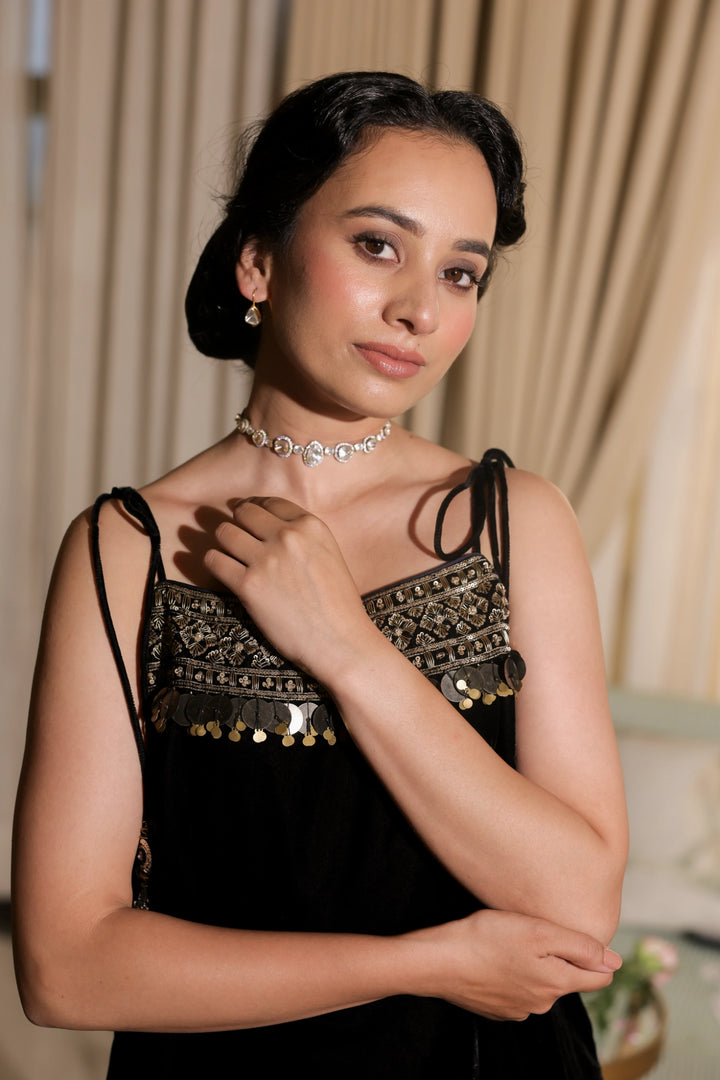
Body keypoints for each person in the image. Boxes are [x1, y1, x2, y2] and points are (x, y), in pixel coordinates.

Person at [12, 71, 628, 1078]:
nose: (418, 309)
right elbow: (65, 967)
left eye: (461, 273)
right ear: (259, 262)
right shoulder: (124, 551)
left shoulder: (513, 523)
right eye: (378, 245)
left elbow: (576, 902)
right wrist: (421, 962)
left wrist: (346, 646)